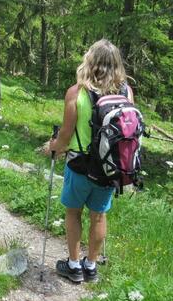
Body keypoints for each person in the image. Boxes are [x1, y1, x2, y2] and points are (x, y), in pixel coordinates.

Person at [45, 39, 133, 283]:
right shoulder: (126, 93)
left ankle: (73, 266)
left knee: (73, 213)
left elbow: (64, 136)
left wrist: (51, 147)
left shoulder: (77, 93)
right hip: (109, 168)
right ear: (117, 65)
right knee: (99, 216)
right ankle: (91, 266)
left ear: (90, 61)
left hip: (79, 166)